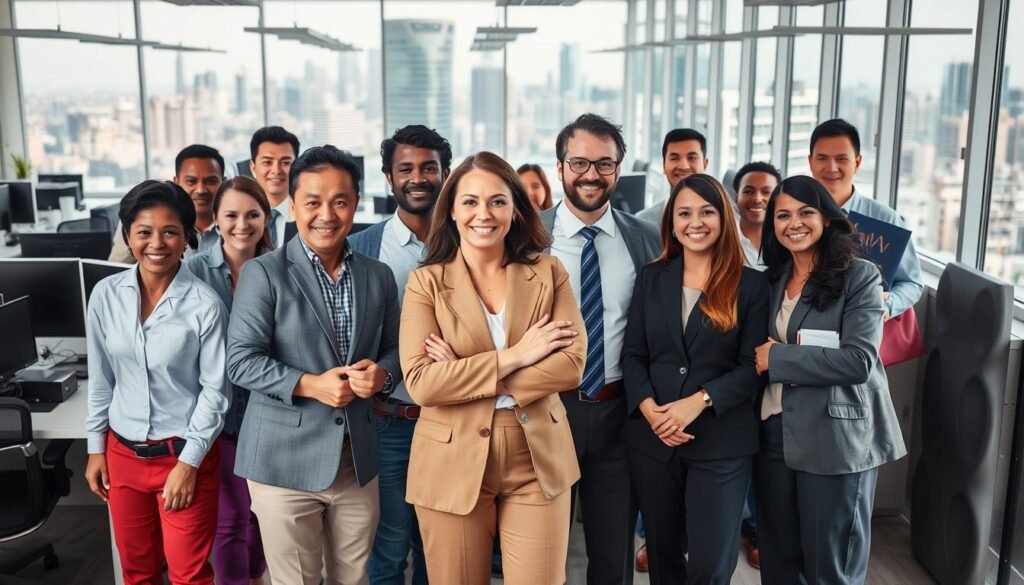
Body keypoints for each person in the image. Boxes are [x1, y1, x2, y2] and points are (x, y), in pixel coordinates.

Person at [399, 151, 585, 585]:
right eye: (470, 201)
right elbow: (423, 383)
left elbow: (571, 366)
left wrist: (465, 374)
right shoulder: (425, 282)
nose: (483, 214)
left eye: (497, 201)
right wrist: (518, 355)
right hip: (451, 455)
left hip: (538, 456)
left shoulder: (549, 271)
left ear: (515, 208)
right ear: (451, 210)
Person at [226, 145, 401, 585]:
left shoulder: (377, 275)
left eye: (340, 201)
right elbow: (241, 361)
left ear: (356, 203)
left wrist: (383, 375)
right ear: (292, 205)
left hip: (355, 461)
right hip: (282, 462)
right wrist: (310, 384)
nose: (327, 214)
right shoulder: (264, 273)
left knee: (353, 579)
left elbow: (397, 349)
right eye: (313, 202)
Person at [753, 175, 907, 585]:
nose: (794, 223)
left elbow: (858, 361)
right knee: (778, 562)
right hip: (773, 434)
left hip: (835, 439)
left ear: (826, 218)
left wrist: (777, 357)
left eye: (806, 212)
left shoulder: (860, 276)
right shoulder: (771, 279)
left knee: (829, 568)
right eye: (782, 215)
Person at [621, 174, 768, 585]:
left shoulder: (752, 284)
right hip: (655, 440)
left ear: (724, 218)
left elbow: (752, 367)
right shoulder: (652, 277)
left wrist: (699, 401)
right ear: (671, 222)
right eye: (684, 213)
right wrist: (650, 410)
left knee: (709, 566)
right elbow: (633, 354)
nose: (695, 222)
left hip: (721, 442)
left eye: (706, 212)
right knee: (663, 558)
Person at [84, 180, 231, 585]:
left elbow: (216, 393)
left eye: (170, 232)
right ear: (128, 235)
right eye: (144, 232)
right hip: (122, 455)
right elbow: (101, 379)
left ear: (186, 237)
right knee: (137, 573)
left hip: (183, 455)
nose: (156, 243)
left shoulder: (205, 304)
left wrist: (188, 463)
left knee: (189, 576)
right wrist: (96, 449)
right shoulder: (105, 295)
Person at [539, 114, 660, 585]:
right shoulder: (526, 237)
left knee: (612, 559)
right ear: (560, 167)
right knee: (540, 558)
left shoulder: (645, 239)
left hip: (618, 413)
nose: (591, 174)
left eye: (604, 163)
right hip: (546, 411)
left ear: (618, 169)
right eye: (579, 162)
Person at [349, 124, 453, 585]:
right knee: (388, 549)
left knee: (439, 547)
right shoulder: (360, 249)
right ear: (389, 178)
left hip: (452, 423)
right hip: (388, 421)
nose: (418, 178)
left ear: (445, 174)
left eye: (429, 168)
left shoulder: (469, 242)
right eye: (406, 169)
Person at [185, 176, 272, 585]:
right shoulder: (193, 272)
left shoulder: (282, 268)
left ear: (266, 217)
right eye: (231, 215)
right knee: (232, 517)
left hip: (269, 414)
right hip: (218, 417)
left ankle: (255, 576)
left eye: (252, 214)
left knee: (262, 515)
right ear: (216, 219)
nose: (241, 225)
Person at [808, 119, 923, 320]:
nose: (831, 167)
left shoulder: (885, 219)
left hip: (866, 326)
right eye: (822, 158)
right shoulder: (795, 215)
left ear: (857, 163)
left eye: (841, 159)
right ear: (811, 162)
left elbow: (911, 283)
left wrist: (887, 305)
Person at [109, 145, 226, 263]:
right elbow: (115, 268)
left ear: (224, 183)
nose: (201, 190)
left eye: (211, 181)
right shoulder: (140, 216)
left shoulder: (234, 225)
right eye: (191, 181)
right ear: (176, 183)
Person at [636, 128, 709, 225]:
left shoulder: (722, 218)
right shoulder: (641, 222)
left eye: (692, 158)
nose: (684, 166)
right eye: (674, 158)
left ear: (705, 164)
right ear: (663, 166)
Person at [249, 126, 300, 249]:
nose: (276, 170)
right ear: (253, 167)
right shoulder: (242, 214)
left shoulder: (305, 212)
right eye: (267, 162)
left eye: (286, 163)